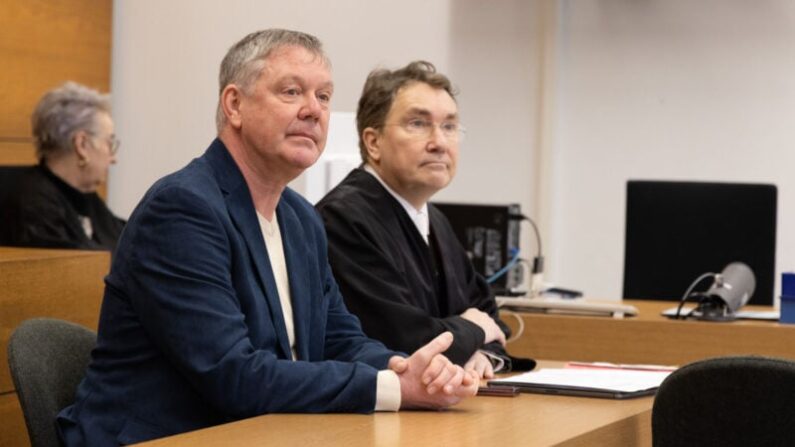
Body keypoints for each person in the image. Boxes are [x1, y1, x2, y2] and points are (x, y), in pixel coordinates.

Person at [56, 30, 477, 446]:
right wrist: (391, 389)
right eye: (292, 92)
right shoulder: (182, 210)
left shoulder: (301, 218)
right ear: (235, 104)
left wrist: (405, 368)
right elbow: (233, 374)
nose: (314, 111)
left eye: (325, 97)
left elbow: (339, 338)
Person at [316, 61, 534, 379]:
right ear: (373, 142)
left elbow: (488, 313)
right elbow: (402, 338)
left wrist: (483, 352)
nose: (439, 142)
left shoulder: (435, 219)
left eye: (449, 127)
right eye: (418, 124)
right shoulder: (342, 219)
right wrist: (474, 329)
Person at [1, 82, 125, 252]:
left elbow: (127, 240)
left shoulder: (86, 196)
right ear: (82, 145)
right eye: (109, 143)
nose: (113, 158)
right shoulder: (34, 206)